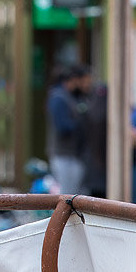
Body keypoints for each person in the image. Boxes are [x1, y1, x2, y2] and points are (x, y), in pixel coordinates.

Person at [46, 64, 89, 193]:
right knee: (67, 195)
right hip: (63, 154)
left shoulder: (72, 97)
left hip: (73, 153)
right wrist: (80, 123)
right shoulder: (59, 97)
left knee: (74, 193)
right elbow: (62, 126)